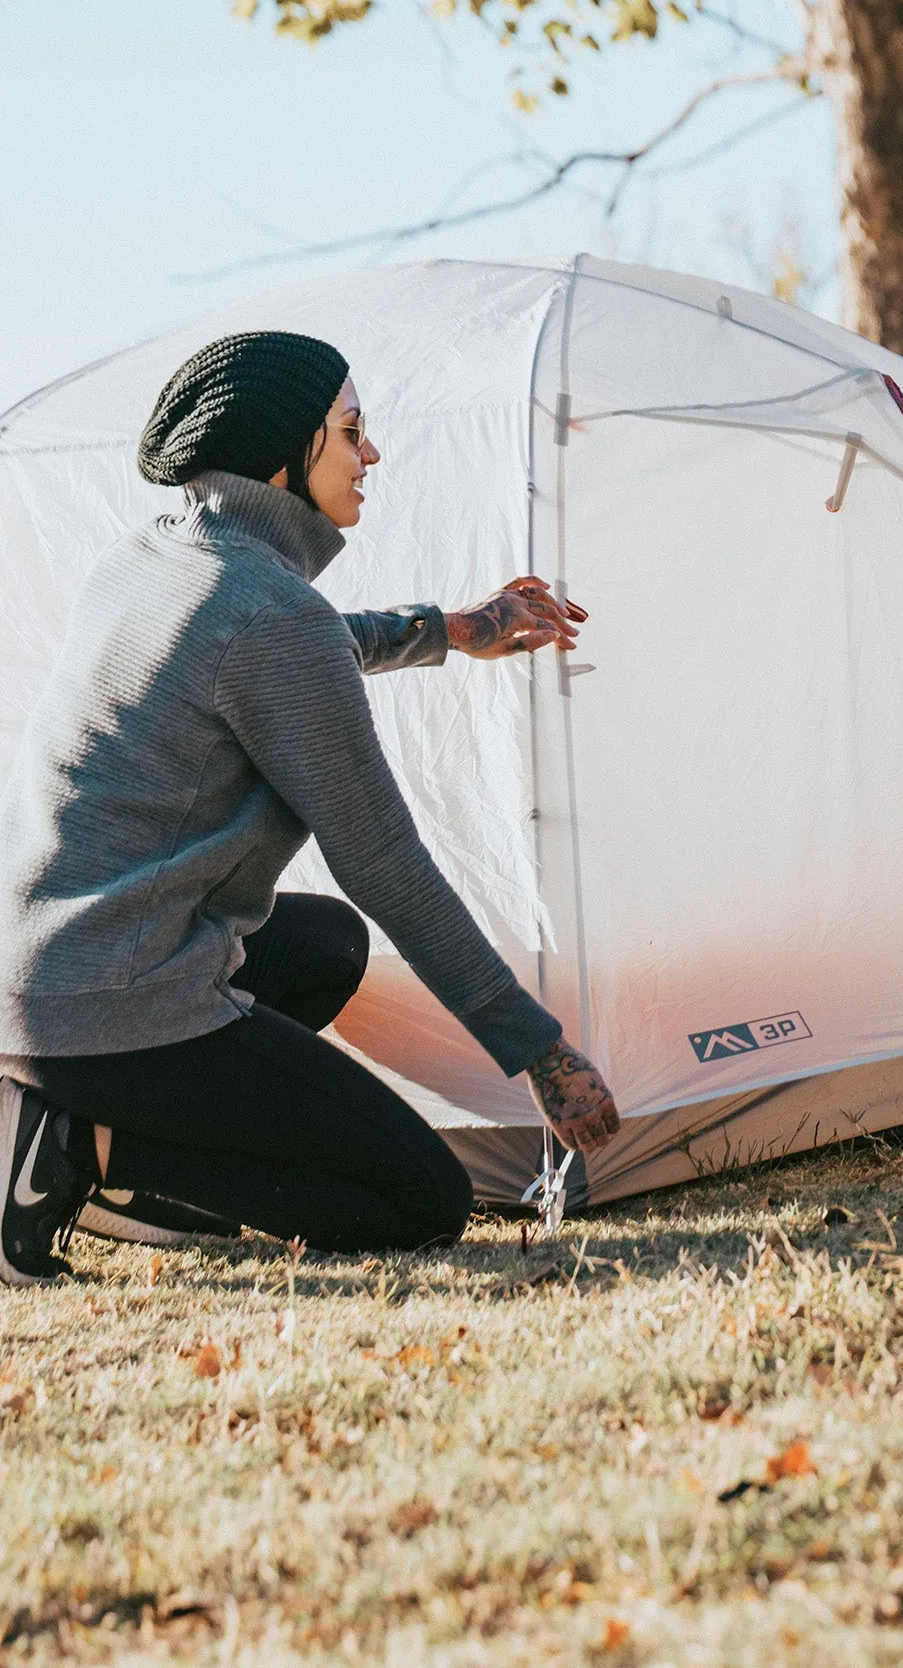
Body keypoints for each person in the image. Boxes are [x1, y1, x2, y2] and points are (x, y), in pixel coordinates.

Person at [0, 331, 619, 1286]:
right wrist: (539, 1051)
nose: (371, 455)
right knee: (419, 1202)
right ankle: (83, 1150)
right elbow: (386, 864)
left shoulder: (157, 556)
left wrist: (450, 630)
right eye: (352, 431)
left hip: (35, 969)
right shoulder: (267, 615)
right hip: (104, 995)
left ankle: (99, 1144)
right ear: (285, 453)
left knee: (325, 943)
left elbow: (296, 644)